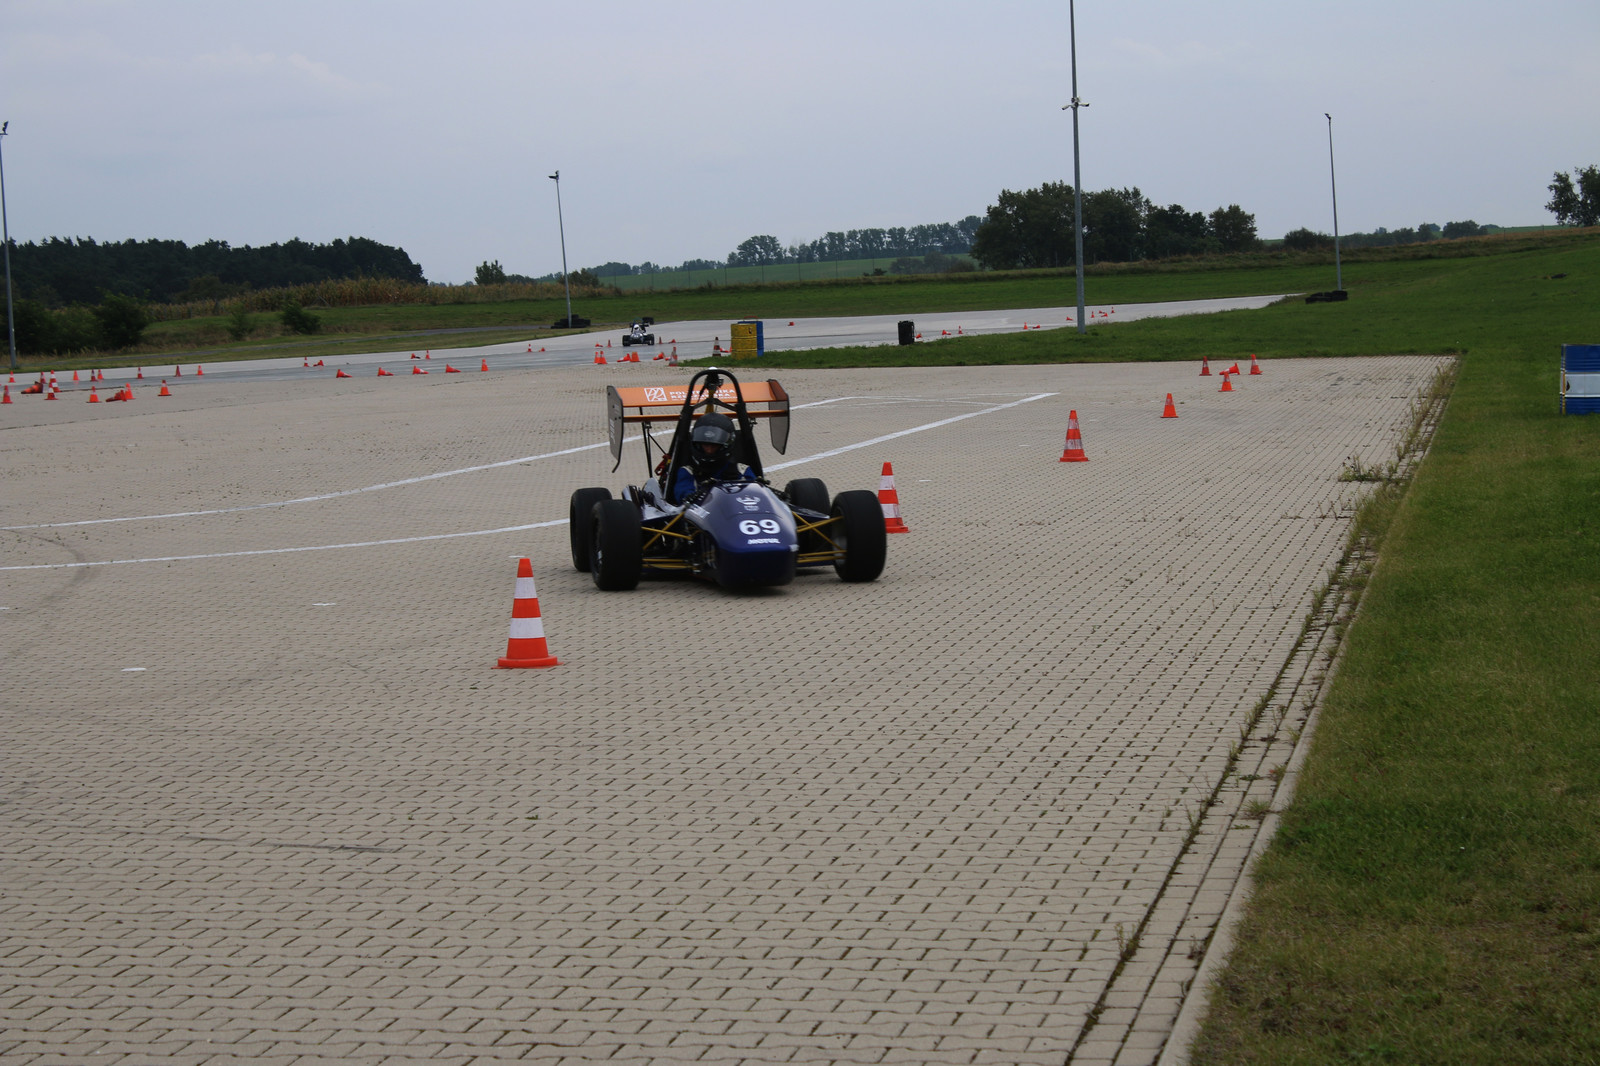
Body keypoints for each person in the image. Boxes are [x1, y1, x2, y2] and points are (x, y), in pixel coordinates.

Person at [670, 411, 752, 502]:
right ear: (698, 444)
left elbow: (756, 493)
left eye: (714, 446)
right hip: (703, 509)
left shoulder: (742, 470)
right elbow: (683, 494)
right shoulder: (688, 471)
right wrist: (692, 497)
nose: (709, 450)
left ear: (724, 446)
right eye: (706, 445)